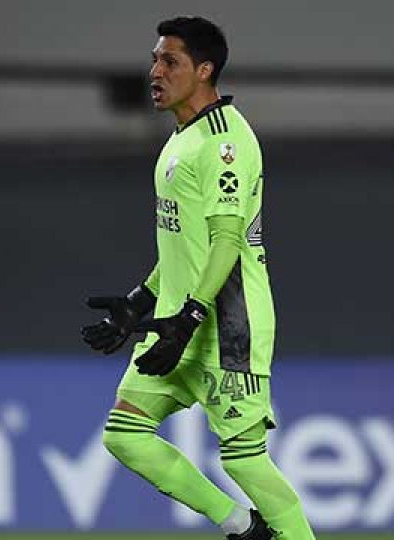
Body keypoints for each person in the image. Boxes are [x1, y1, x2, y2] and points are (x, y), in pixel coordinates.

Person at [81, 16, 315, 540]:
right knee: (126, 435)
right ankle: (240, 526)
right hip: (177, 325)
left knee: (245, 462)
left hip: (227, 326)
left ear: (204, 70)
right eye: (154, 60)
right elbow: (187, 247)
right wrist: (139, 301)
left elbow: (227, 244)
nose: (154, 72)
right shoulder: (180, 141)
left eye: (170, 62)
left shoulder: (227, 143)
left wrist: (189, 316)